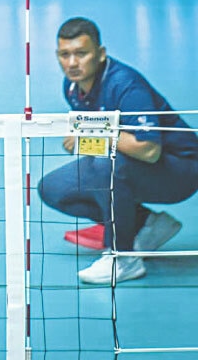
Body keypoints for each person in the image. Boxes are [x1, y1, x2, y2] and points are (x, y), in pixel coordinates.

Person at [38, 17, 198, 284]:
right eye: (65, 55)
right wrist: (86, 139)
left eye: (81, 53)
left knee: (106, 166)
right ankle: (146, 224)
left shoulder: (126, 86)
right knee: (52, 188)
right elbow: (99, 140)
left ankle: (122, 257)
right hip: (133, 163)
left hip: (180, 170)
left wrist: (91, 134)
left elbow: (149, 150)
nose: (72, 63)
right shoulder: (72, 87)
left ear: (100, 54)